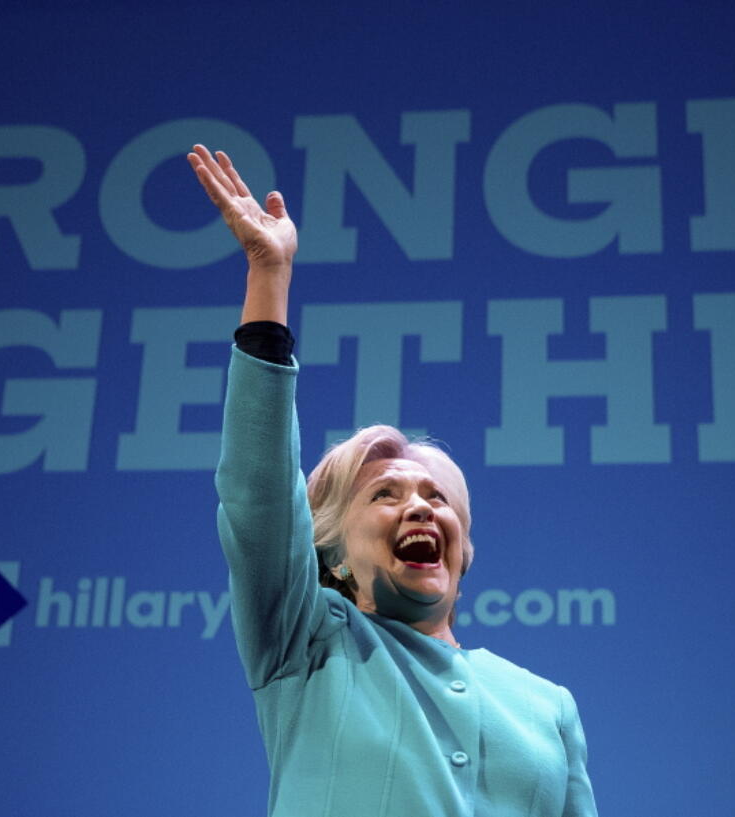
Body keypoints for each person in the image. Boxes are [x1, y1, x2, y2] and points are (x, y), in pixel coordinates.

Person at [190, 143, 599, 817]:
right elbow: (258, 494)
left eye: (438, 498)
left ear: (464, 553)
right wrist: (270, 276)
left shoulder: (546, 706)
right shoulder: (309, 641)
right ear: (330, 552)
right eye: (385, 494)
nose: (419, 506)